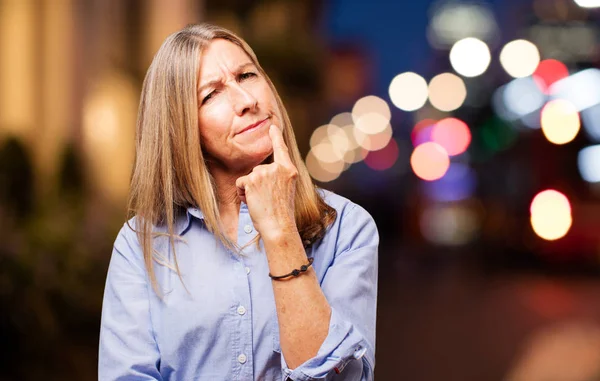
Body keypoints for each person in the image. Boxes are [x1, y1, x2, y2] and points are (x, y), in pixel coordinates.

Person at [99, 23, 378, 381]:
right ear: (180, 126)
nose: (247, 101)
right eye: (210, 95)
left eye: (247, 75)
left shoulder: (347, 229)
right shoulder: (140, 245)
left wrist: (280, 234)